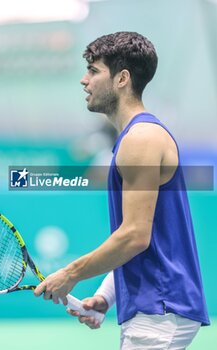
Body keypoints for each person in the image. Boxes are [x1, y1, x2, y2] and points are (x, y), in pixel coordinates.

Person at [34, 32, 210, 349]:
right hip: (155, 310)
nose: (83, 80)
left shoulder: (141, 139)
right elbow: (148, 240)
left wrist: (69, 273)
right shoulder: (135, 138)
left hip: (160, 311)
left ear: (122, 79)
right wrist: (105, 297)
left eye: (94, 70)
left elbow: (134, 236)